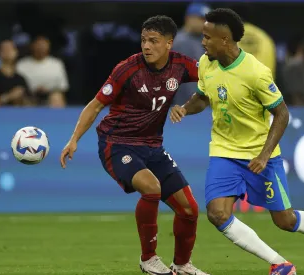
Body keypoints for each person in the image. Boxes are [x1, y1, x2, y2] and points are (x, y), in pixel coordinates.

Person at [170, 8, 304, 275]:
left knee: (285, 220)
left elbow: (282, 113)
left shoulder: (256, 72)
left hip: (259, 156)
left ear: (225, 40)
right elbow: (203, 97)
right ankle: (280, 263)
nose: (202, 42)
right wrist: (185, 107)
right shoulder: (207, 63)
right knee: (218, 213)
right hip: (224, 151)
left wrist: (264, 155)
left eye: (207, 37)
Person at [60, 15, 209, 275]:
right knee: (151, 188)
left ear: (169, 43)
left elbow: (212, 81)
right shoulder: (127, 69)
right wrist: (74, 140)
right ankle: (148, 258)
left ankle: (183, 265)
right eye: (143, 40)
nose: (146, 46)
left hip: (153, 147)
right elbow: (96, 105)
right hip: (117, 144)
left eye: (153, 41)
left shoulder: (182, 66)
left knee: (189, 209)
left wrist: (185, 108)